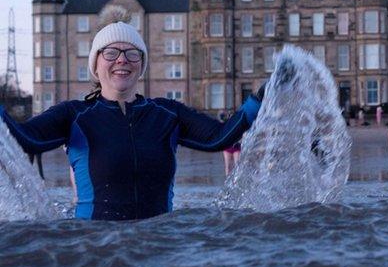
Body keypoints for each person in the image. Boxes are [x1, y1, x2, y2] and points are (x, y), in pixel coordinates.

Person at [0, 17, 263, 220]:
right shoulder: (73, 115)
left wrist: (262, 97)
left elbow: (221, 137)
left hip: (157, 243)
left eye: (132, 53)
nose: (122, 60)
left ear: (141, 63)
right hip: (94, 245)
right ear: (96, 63)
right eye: (111, 52)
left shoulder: (167, 113)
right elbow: (24, 139)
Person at [219, 110, 243, 176]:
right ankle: (227, 180)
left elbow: (241, 135)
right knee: (227, 165)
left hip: (236, 147)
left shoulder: (238, 126)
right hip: (227, 148)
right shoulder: (226, 126)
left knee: (237, 165)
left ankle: (236, 181)